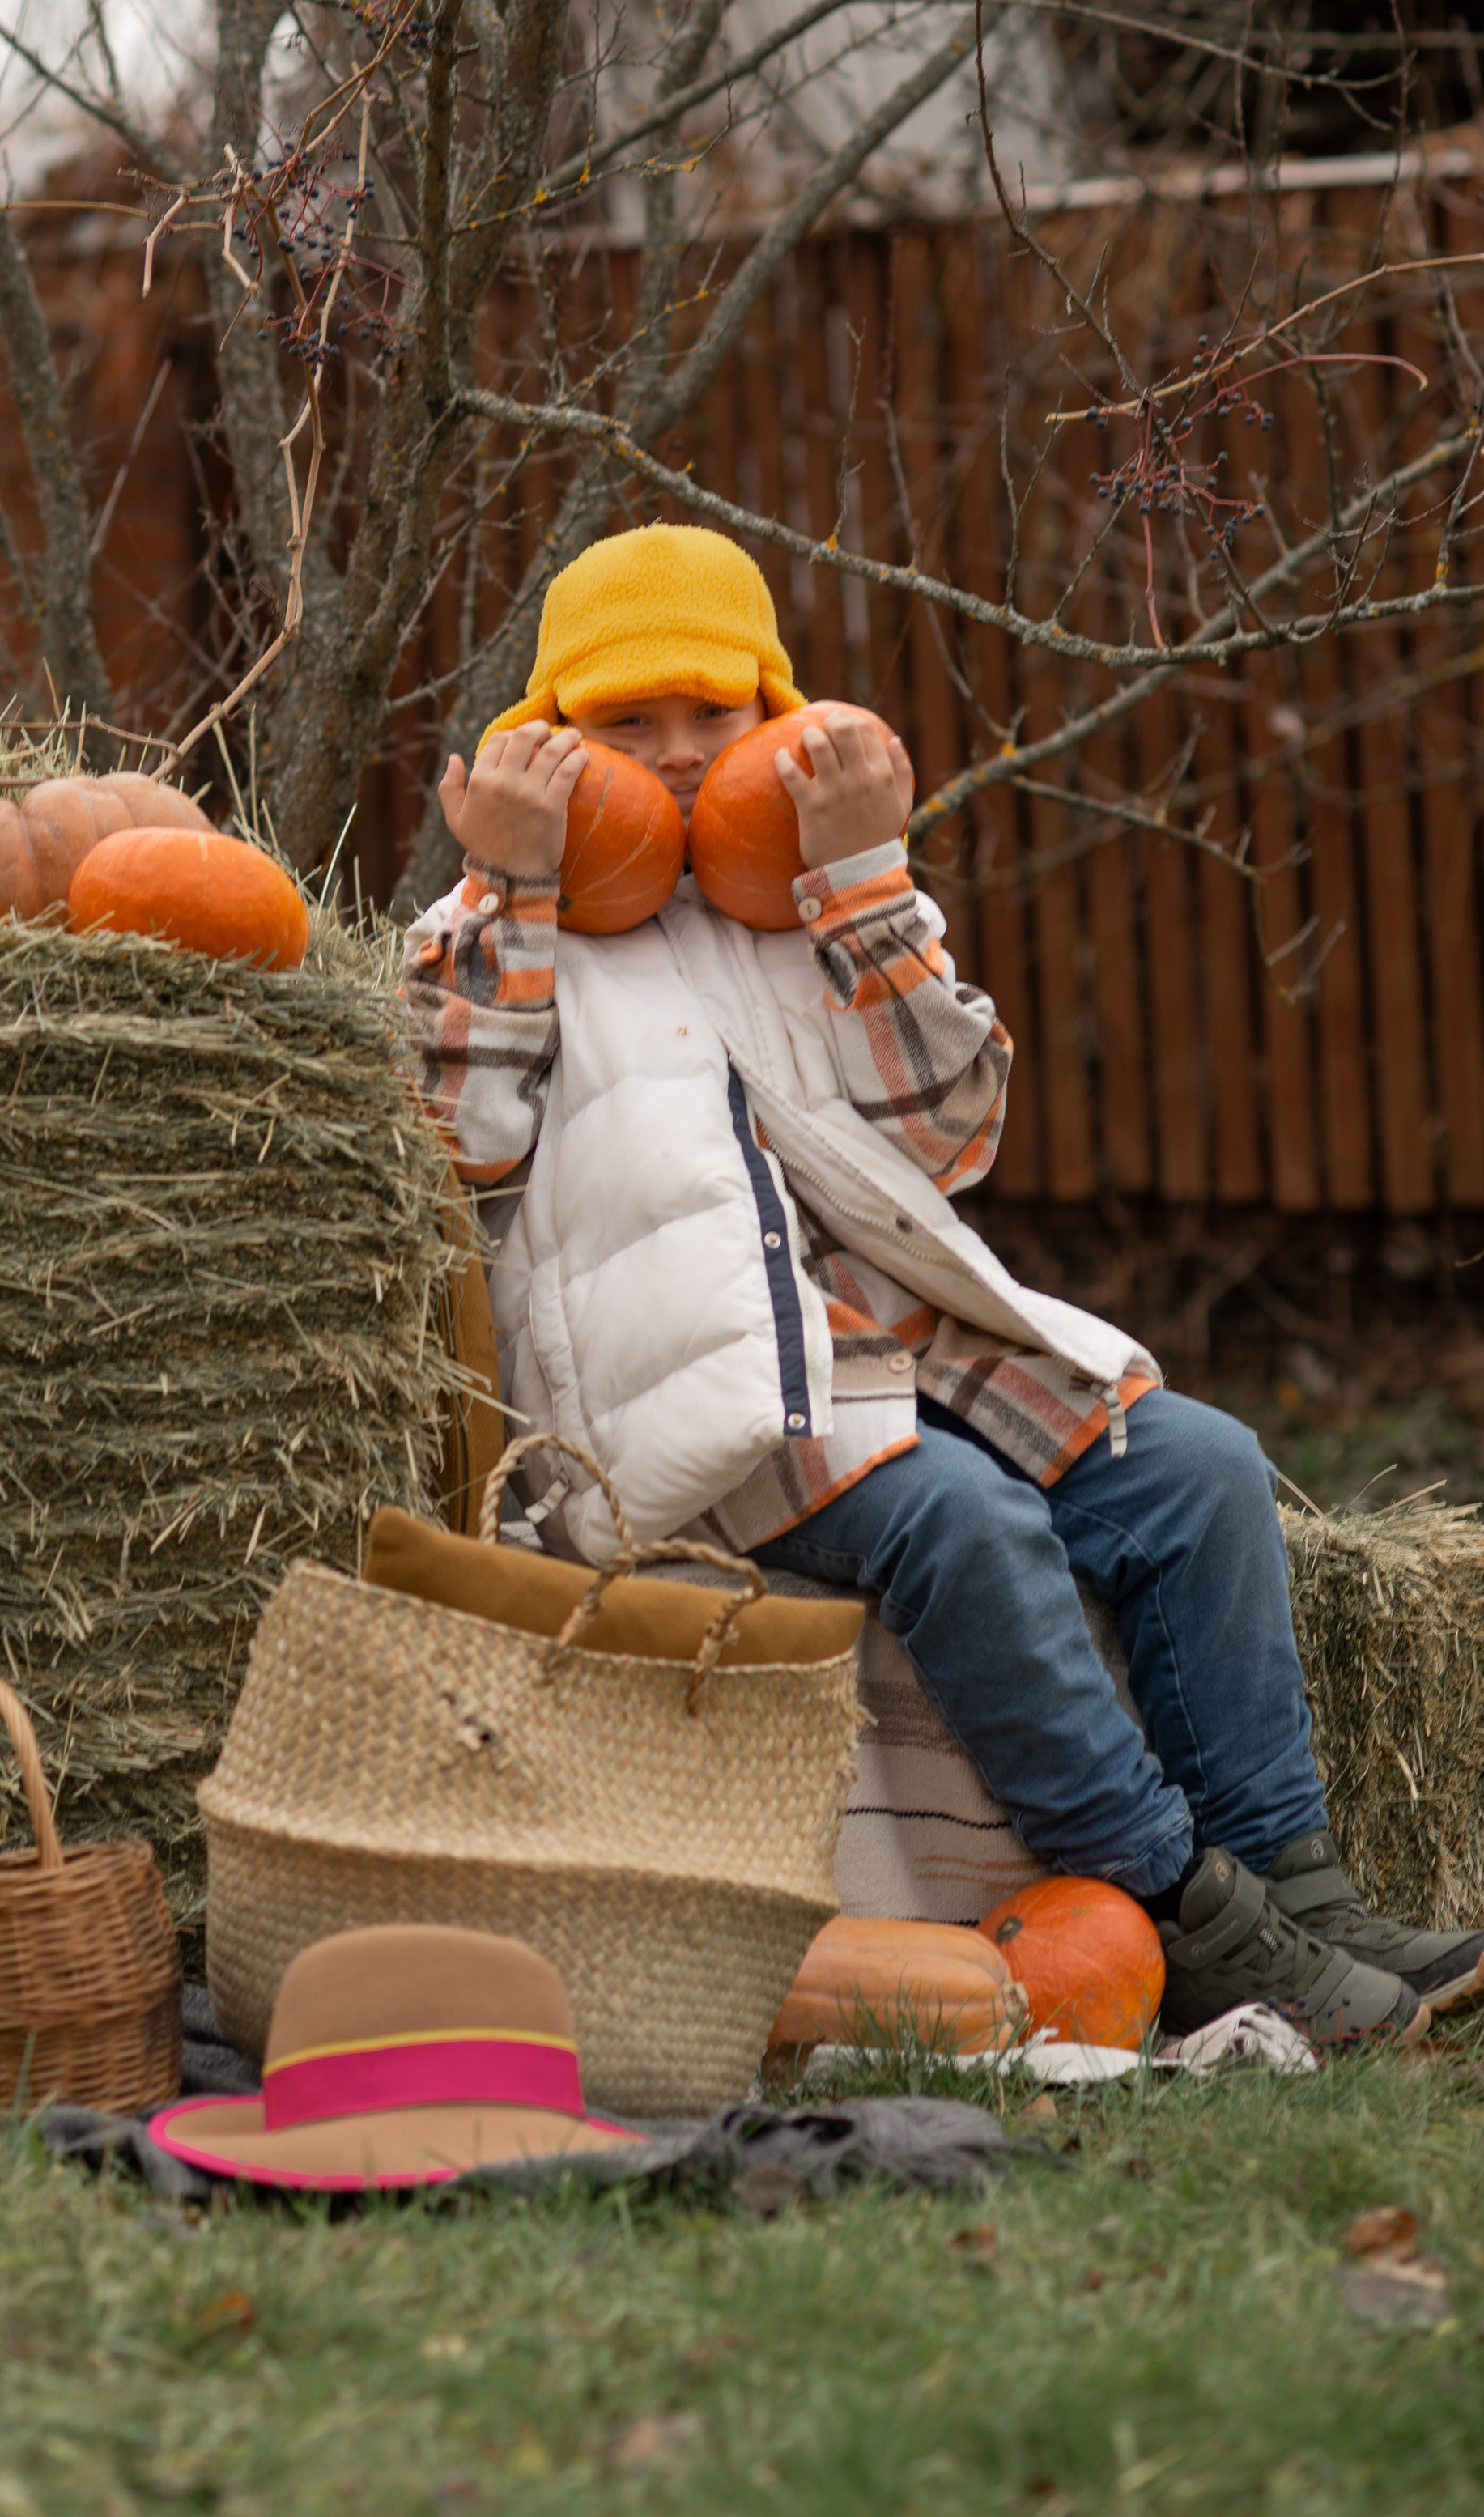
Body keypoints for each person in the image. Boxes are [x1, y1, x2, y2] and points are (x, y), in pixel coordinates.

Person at [402, 520, 1482, 2051]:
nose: (685, 755)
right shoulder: (491, 937)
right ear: (547, 747)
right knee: (966, 1523)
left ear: (778, 723)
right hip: (718, 1407)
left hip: (910, 1365)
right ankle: (1178, 1905)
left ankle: (1299, 1882)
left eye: (716, 715)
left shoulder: (812, 915)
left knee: (1202, 1471)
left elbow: (953, 1133)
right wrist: (511, 889)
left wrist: (862, 878)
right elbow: (461, 1153)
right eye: (626, 725)